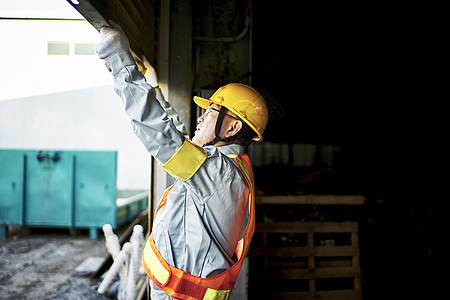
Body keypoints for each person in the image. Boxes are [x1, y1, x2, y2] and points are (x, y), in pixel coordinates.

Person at [95, 22, 268, 300]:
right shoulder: (222, 169)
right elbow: (177, 134)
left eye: (211, 111)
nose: (200, 117)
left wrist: (118, 57)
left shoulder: (217, 172)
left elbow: (161, 136)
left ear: (232, 128)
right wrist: (151, 84)